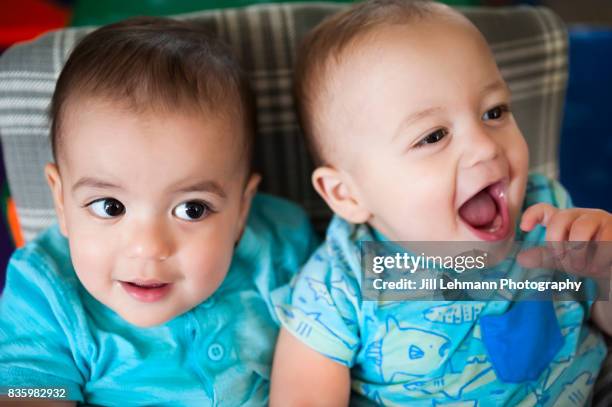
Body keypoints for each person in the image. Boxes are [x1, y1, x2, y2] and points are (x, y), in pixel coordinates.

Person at [270, 1, 612, 405]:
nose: (485, 147)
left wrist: (606, 270)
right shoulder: (338, 287)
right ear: (348, 195)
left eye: (494, 111)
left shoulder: (549, 217)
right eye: (433, 136)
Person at [0, 16, 317, 406]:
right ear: (61, 202)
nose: (148, 248)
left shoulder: (279, 244)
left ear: (241, 207)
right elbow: (27, 390)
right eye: (109, 206)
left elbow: (366, 278)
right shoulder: (47, 288)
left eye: (192, 209)